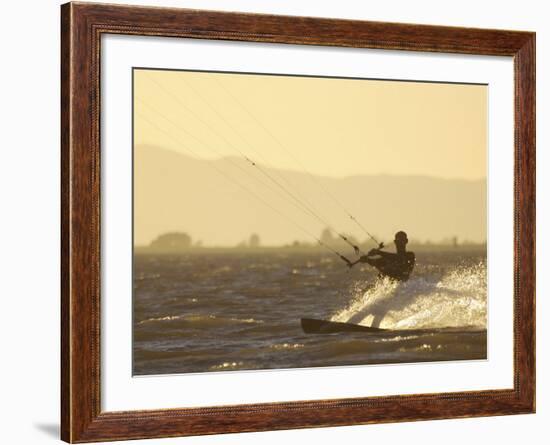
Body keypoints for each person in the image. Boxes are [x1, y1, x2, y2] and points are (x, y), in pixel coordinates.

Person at [349, 231, 415, 281]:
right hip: (389, 289)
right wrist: (367, 260)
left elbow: (399, 258)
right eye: (398, 241)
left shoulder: (410, 255)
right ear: (395, 242)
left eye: (402, 240)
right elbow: (375, 262)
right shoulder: (387, 259)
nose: (400, 243)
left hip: (402, 286)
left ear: (406, 241)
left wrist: (379, 252)